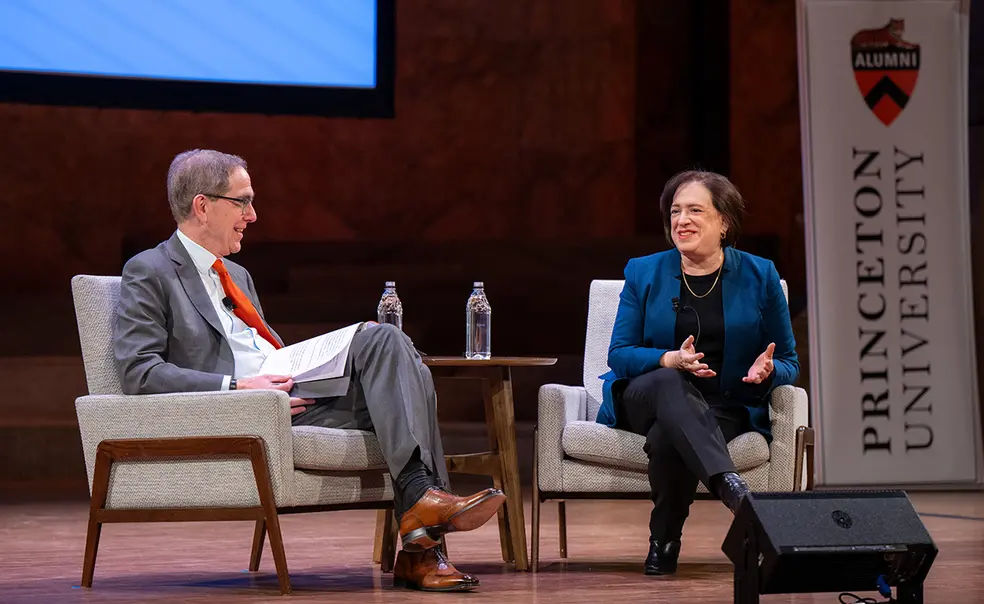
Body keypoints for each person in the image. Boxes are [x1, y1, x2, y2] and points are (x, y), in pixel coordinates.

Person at [113, 149, 505, 592]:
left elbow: (264, 349)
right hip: (245, 408)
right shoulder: (150, 270)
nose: (253, 215)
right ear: (203, 206)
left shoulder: (237, 274)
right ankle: (421, 546)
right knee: (402, 369)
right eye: (242, 201)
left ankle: (419, 520)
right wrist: (240, 387)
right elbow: (139, 372)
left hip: (291, 393)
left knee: (393, 350)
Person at [597, 169, 799, 576]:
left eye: (694, 210)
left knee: (668, 439)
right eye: (675, 211)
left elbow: (790, 362)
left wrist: (769, 369)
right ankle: (730, 487)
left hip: (720, 407)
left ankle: (664, 544)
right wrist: (668, 359)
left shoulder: (760, 275)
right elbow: (619, 355)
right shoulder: (644, 271)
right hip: (646, 396)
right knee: (670, 382)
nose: (681, 220)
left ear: (724, 222)